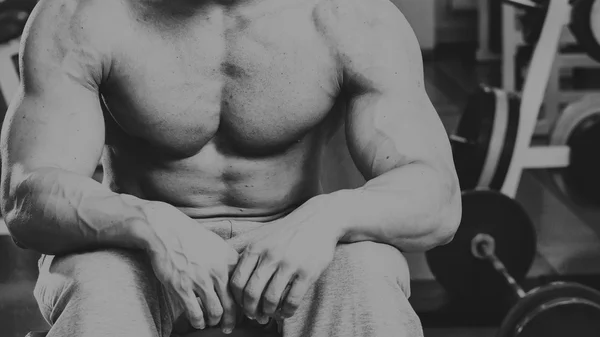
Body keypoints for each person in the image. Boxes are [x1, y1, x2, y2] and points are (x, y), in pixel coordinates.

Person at [0, 0, 461, 336]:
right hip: (134, 247)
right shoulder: (82, 15)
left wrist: (329, 215)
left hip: (288, 241)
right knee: (98, 283)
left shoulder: (353, 19)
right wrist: (149, 223)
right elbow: (26, 200)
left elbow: (437, 198)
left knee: (364, 271)